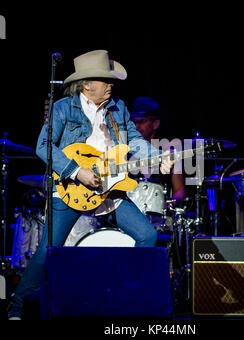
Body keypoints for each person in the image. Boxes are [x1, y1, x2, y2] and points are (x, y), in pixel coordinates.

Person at [8, 50, 174, 320]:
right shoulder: (63, 108)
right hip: (72, 188)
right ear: (86, 84)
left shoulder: (118, 107)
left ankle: (124, 295)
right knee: (48, 251)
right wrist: (76, 172)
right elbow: (43, 146)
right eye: (104, 80)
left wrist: (156, 158)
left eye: (111, 81)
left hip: (111, 186)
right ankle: (17, 308)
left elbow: (133, 140)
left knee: (147, 236)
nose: (111, 85)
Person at [130, 97, 185, 201]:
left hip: (158, 212)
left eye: (142, 121)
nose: (137, 126)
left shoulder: (168, 152)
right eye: (134, 122)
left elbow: (179, 191)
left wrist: (167, 206)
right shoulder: (127, 151)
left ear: (155, 124)